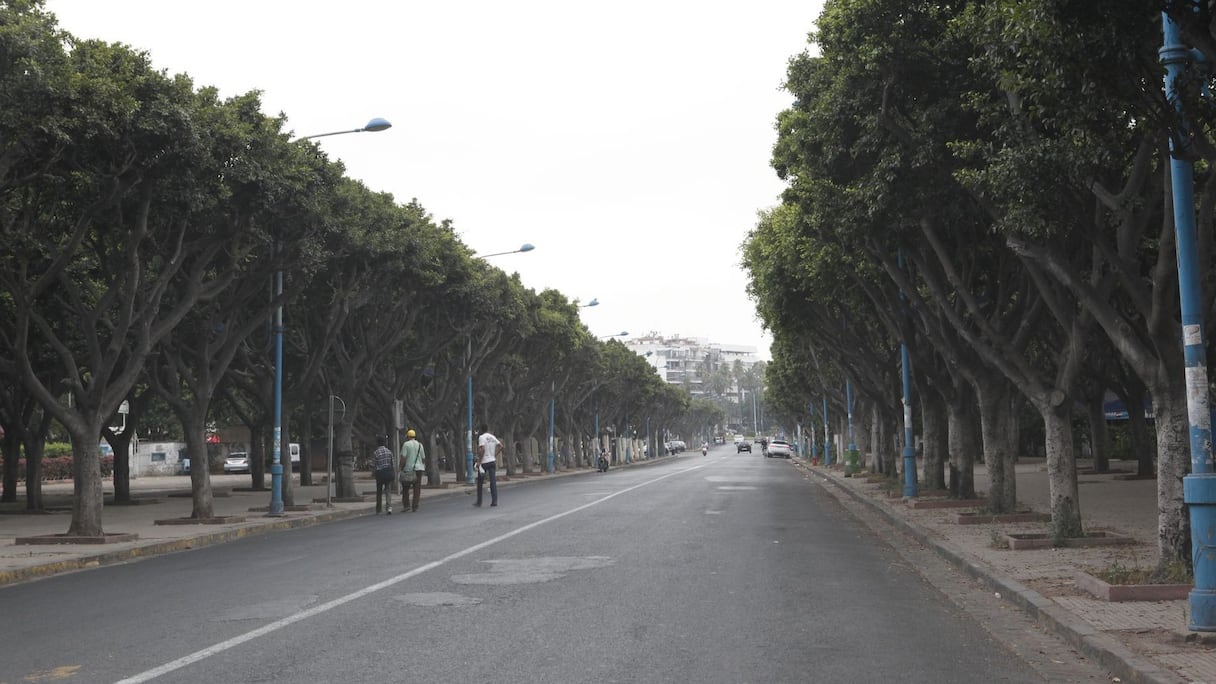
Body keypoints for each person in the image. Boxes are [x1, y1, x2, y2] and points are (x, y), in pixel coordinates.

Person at [399, 428, 426, 512]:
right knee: (417, 488)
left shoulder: (406, 444)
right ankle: (415, 506)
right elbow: (423, 458)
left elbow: (403, 457)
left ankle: (406, 505)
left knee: (405, 487)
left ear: (408, 437)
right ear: (414, 436)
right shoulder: (420, 445)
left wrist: (400, 467)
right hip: (419, 469)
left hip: (408, 469)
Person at [474, 424, 500, 507]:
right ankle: (494, 501)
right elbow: (501, 446)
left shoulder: (482, 437)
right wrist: (494, 455)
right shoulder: (492, 437)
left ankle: (479, 501)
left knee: (480, 482)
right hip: (492, 461)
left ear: (481, 430)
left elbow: (482, 449)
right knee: (493, 482)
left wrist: (479, 461)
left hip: (484, 462)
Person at [371, 436, 395, 515]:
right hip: (388, 472)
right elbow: (392, 463)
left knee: (379, 491)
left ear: (377, 443)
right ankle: (389, 507)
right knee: (388, 490)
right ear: (385, 443)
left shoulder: (376, 452)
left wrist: (373, 473)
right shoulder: (389, 452)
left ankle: (378, 509)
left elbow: (373, 464)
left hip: (380, 473)